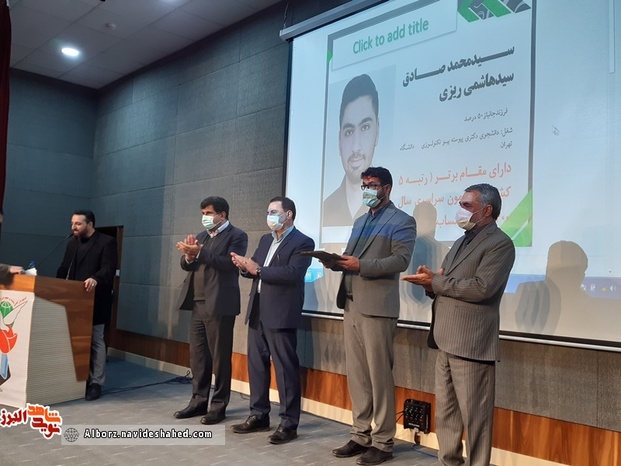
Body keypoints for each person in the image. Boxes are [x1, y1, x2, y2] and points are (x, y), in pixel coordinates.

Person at [402, 183, 516, 466]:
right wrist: (430, 282)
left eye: (467, 205)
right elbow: (446, 282)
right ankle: (448, 461)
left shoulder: (500, 243)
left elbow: (482, 288)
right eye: (461, 204)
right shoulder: (461, 241)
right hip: (445, 338)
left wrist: (437, 282)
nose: (460, 210)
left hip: (472, 342)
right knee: (446, 414)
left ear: (486, 210)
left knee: (476, 419)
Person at [322, 167, 416, 466]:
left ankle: (383, 442)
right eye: (364, 185)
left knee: (379, 376)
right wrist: (335, 262)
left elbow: (400, 260)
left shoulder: (402, 220)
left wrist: (359, 265)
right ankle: (360, 435)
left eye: (372, 185)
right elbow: (351, 258)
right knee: (358, 376)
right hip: (351, 304)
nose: (366, 190)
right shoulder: (361, 220)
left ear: (387, 188)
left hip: (377, 308)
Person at [230, 196, 314, 445]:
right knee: (257, 365)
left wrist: (258, 270)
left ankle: (288, 424)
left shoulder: (303, 241)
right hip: (258, 309)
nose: (269, 216)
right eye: (268, 211)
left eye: (274, 212)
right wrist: (244, 267)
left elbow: (293, 273)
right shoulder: (266, 240)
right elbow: (255, 269)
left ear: (288, 215)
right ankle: (259, 415)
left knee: (286, 370)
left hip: (281, 313)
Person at [173, 196, 248, 425]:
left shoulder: (237, 236)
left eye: (208, 213)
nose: (204, 217)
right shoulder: (203, 236)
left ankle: (218, 406)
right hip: (198, 302)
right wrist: (189, 257)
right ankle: (198, 401)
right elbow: (188, 265)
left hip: (220, 303)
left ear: (222, 215)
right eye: (203, 213)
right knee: (198, 356)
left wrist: (199, 252)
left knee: (220, 357)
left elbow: (229, 264)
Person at [56, 210, 117, 401]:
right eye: (72, 223)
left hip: (96, 299)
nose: (73, 227)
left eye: (78, 224)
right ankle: (78, 379)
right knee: (75, 339)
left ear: (90, 224)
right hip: (74, 300)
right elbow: (64, 267)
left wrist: (95, 278)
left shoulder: (106, 242)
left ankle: (96, 382)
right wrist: (56, 286)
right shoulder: (72, 243)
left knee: (96, 339)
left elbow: (108, 268)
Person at [323, 74, 379, 227]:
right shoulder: (324, 207)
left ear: (377, 131)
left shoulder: (391, 215)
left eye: (365, 127)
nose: (355, 147)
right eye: (348, 132)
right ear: (339, 140)